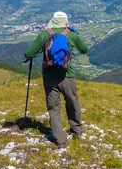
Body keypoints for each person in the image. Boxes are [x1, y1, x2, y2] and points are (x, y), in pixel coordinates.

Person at [24, 11, 88, 150]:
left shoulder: (44, 34)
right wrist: (74, 36)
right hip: (67, 75)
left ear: (52, 21)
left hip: (49, 77)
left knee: (54, 108)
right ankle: (76, 131)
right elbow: (84, 49)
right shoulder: (71, 34)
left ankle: (61, 141)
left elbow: (29, 53)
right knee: (72, 101)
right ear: (66, 21)